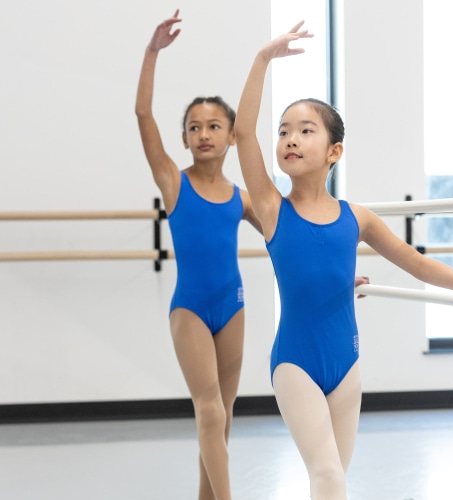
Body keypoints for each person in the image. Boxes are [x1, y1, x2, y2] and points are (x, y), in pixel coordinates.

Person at [234, 21, 453, 500]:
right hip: (295, 363)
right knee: (328, 476)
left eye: (305, 130)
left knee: (334, 475)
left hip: (347, 363)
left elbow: (415, 262)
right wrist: (262, 60)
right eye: (284, 132)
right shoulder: (272, 208)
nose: (291, 139)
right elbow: (243, 134)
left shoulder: (355, 218)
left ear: (334, 151)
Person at [135, 10, 261, 500]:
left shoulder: (240, 198)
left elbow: (289, 236)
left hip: (233, 308)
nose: (204, 133)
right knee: (208, 410)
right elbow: (144, 117)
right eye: (194, 127)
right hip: (190, 308)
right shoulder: (173, 181)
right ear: (185, 137)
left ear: (232, 137)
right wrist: (152, 53)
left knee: (222, 419)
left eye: (214, 126)